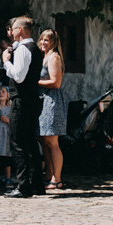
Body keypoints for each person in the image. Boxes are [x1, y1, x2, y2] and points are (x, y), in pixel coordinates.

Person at [1, 16, 43, 197]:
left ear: (18, 30)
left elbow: (18, 76)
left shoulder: (24, 49)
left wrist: (5, 62)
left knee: (17, 141)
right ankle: (36, 184)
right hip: (32, 99)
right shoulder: (34, 48)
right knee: (30, 141)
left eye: (13, 28)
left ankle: (23, 185)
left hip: (22, 100)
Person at [37, 27, 69, 192]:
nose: (43, 42)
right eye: (42, 39)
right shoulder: (43, 57)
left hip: (51, 101)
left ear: (53, 42)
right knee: (44, 140)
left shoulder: (54, 57)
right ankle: (49, 175)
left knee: (52, 141)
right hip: (42, 100)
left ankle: (57, 179)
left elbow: (56, 82)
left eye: (46, 40)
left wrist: (34, 82)